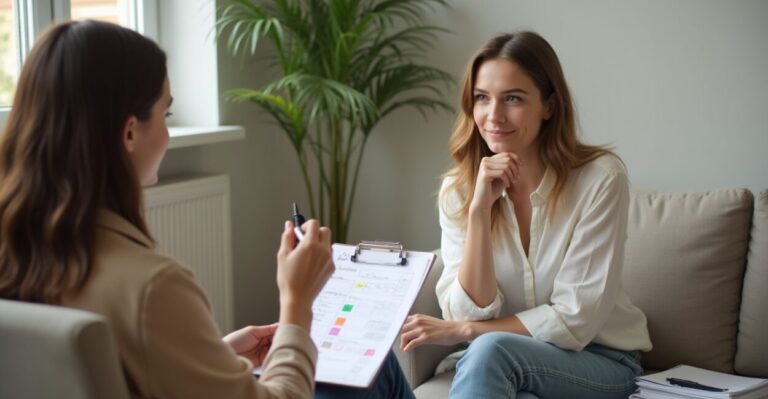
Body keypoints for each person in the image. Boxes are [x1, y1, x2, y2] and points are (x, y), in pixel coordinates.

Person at [0, 20, 413, 399]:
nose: (166, 131)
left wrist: (214, 354)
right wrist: (297, 304)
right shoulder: (152, 287)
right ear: (129, 131)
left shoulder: (20, 250)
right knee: (377, 371)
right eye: (166, 113)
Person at [400, 31, 652, 398]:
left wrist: (465, 333)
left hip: (601, 359)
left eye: (513, 98)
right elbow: (468, 311)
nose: (494, 115)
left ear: (549, 105)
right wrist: (479, 212)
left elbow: (575, 319)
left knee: (490, 350)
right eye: (482, 98)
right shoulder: (460, 190)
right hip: (510, 362)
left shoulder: (600, 179)